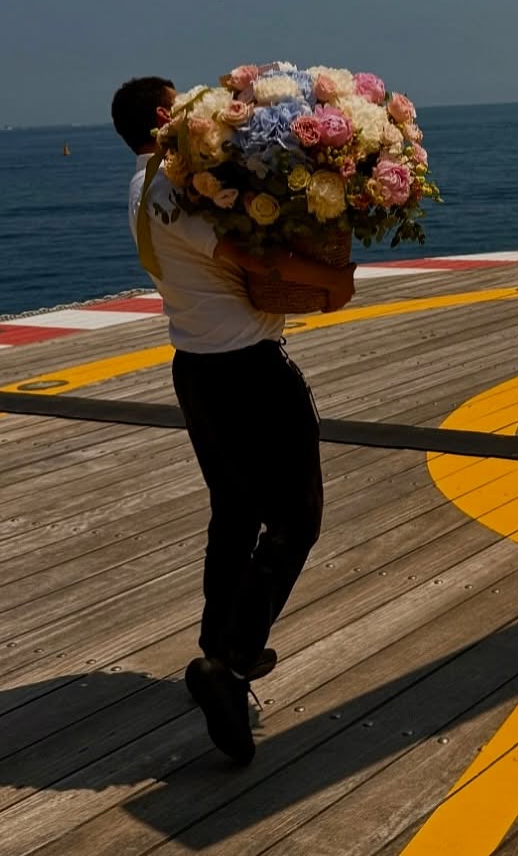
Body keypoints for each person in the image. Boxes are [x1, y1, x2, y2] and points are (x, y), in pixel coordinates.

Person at [111, 76, 355, 765]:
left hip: (195, 370)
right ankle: (233, 659)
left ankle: (216, 644)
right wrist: (335, 281)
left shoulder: (139, 189)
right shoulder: (179, 188)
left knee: (235, 512)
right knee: (296, 521)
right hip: (250, 373)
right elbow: (247, 256)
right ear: (165, 115)